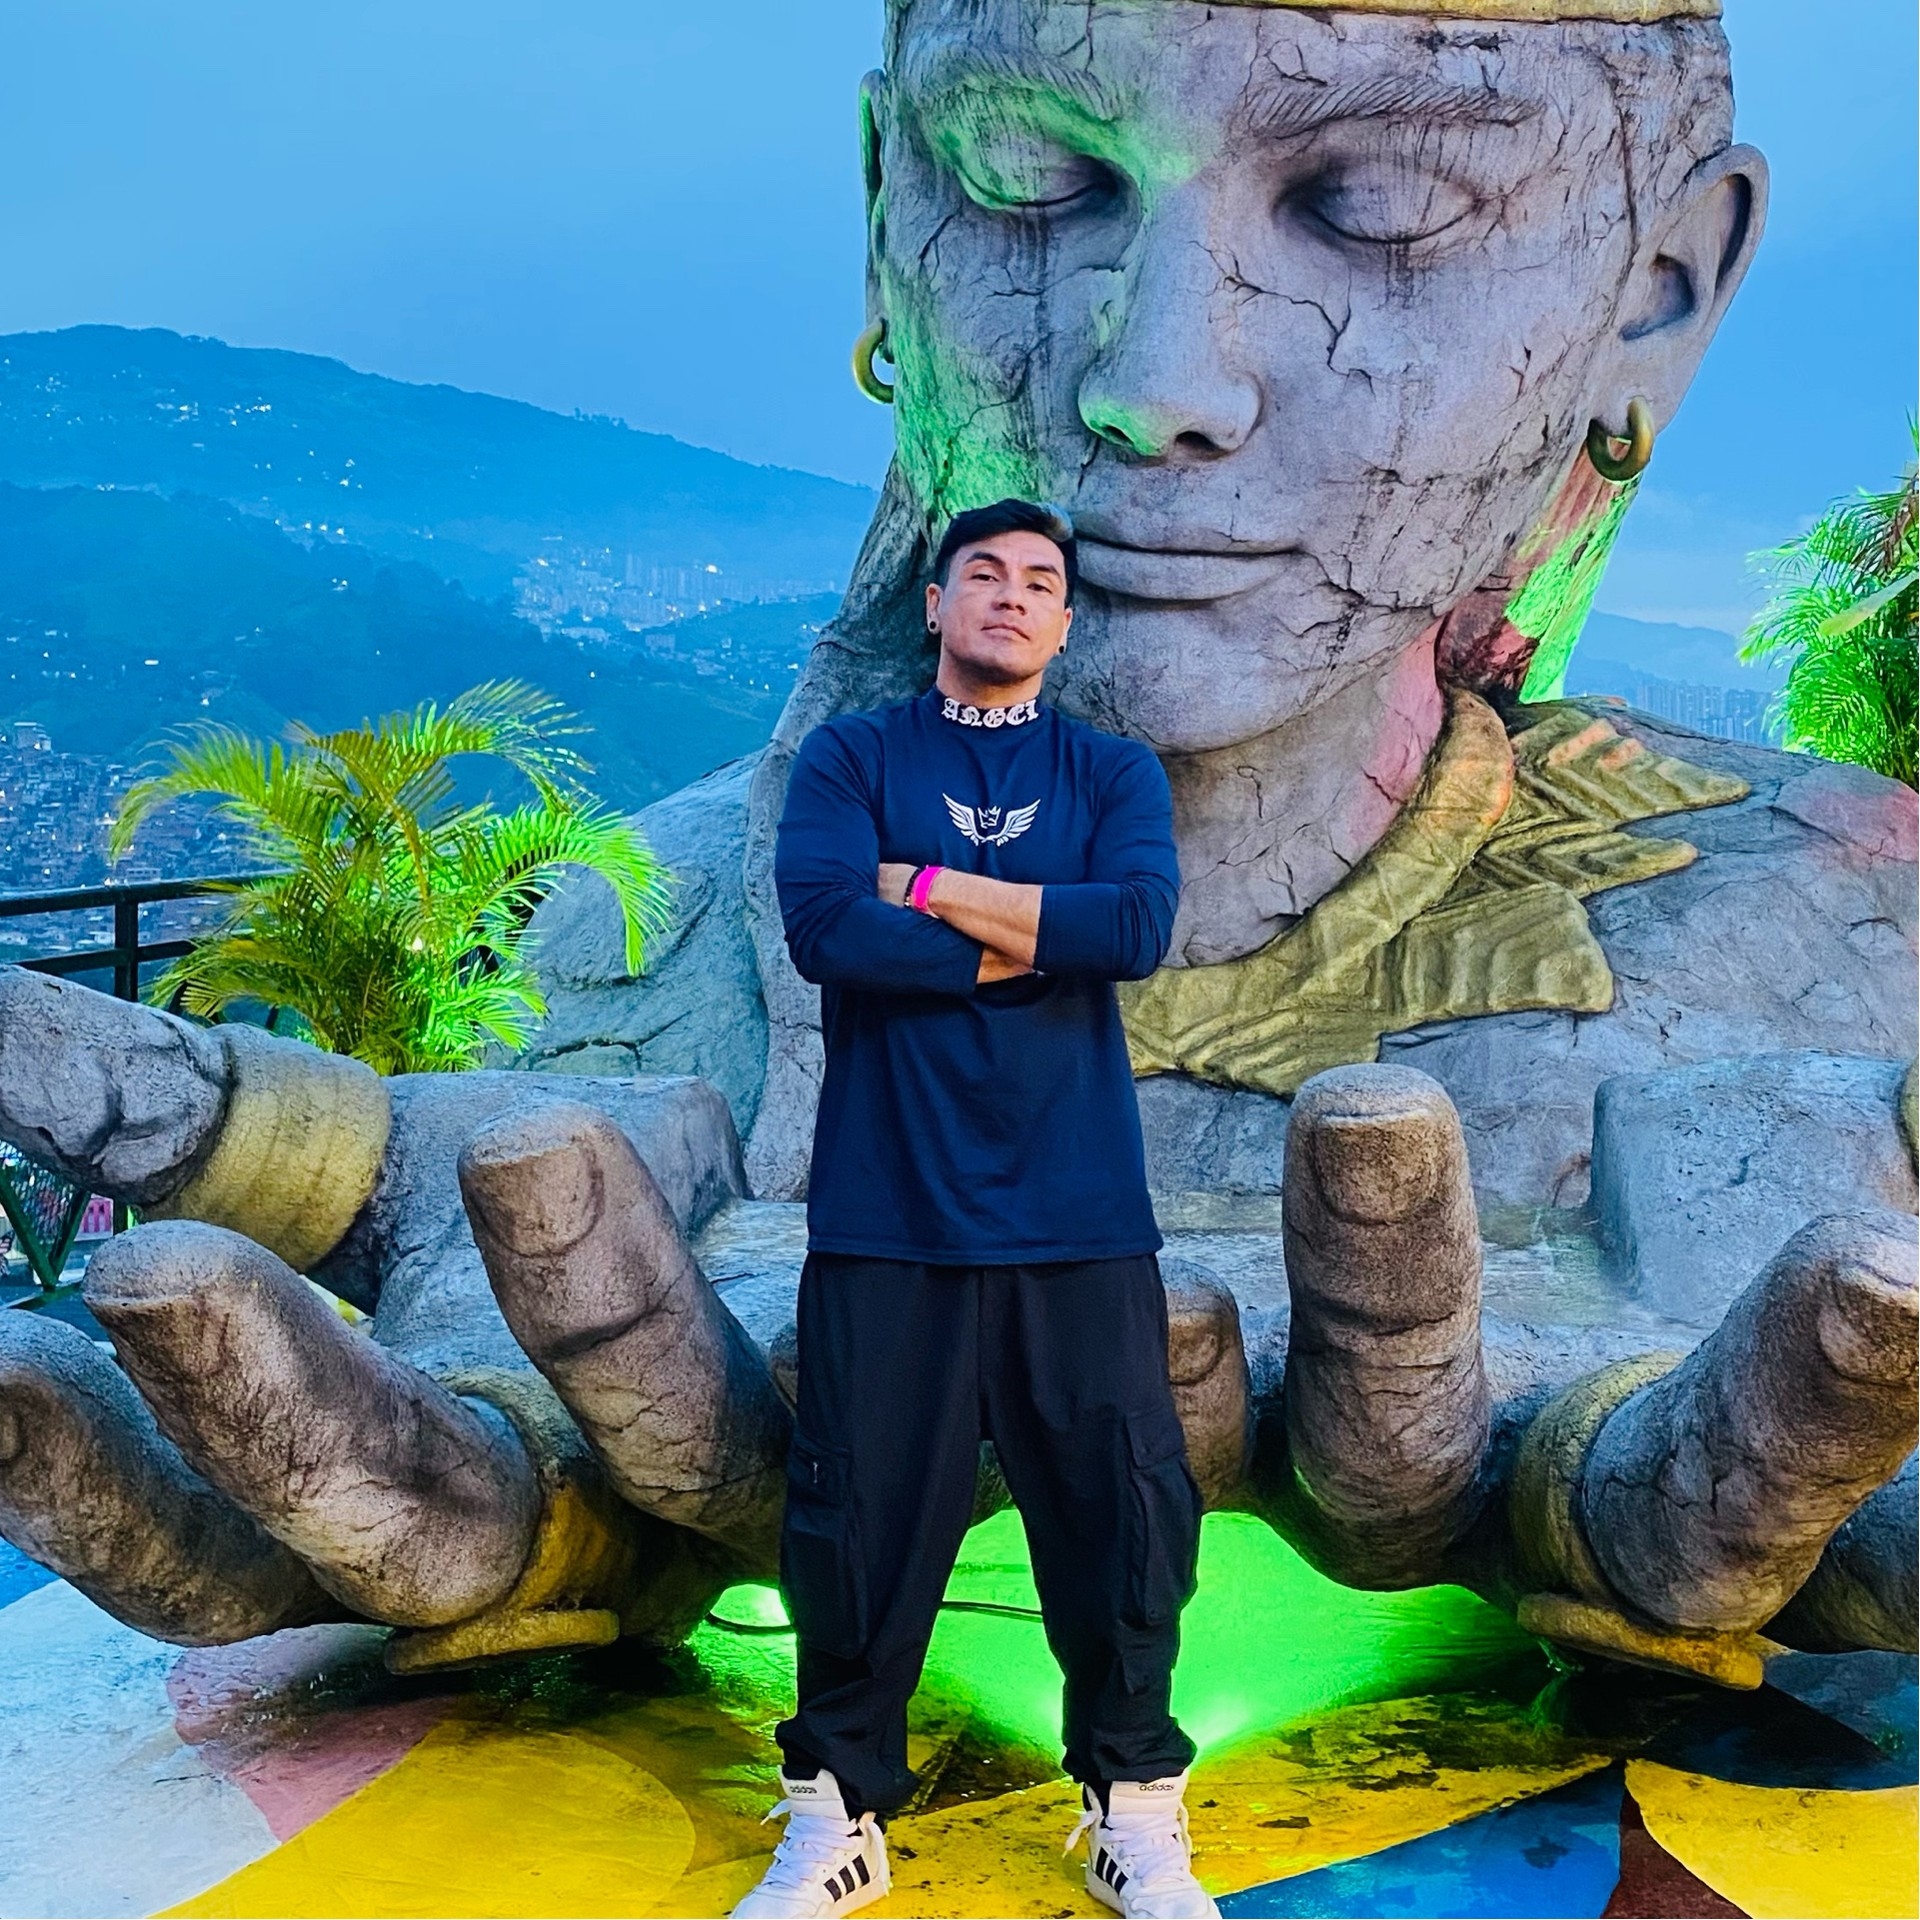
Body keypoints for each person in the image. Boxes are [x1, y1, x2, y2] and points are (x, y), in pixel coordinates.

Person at [734, 499, 1215, 1920]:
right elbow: (829, 930)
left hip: (1081, 1215)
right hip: (888, 1213)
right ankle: (837, 1818)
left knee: (1125, 1520)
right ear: (937, 603)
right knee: (855, 1526)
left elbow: (1134, 928)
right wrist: (1037, 932)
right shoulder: (853, 757)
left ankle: (1133, 1808)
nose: (1011, 595)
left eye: (1040, 581)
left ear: (1064, 622)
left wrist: (934, 888)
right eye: (985, 574)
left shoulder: (1110, 770)